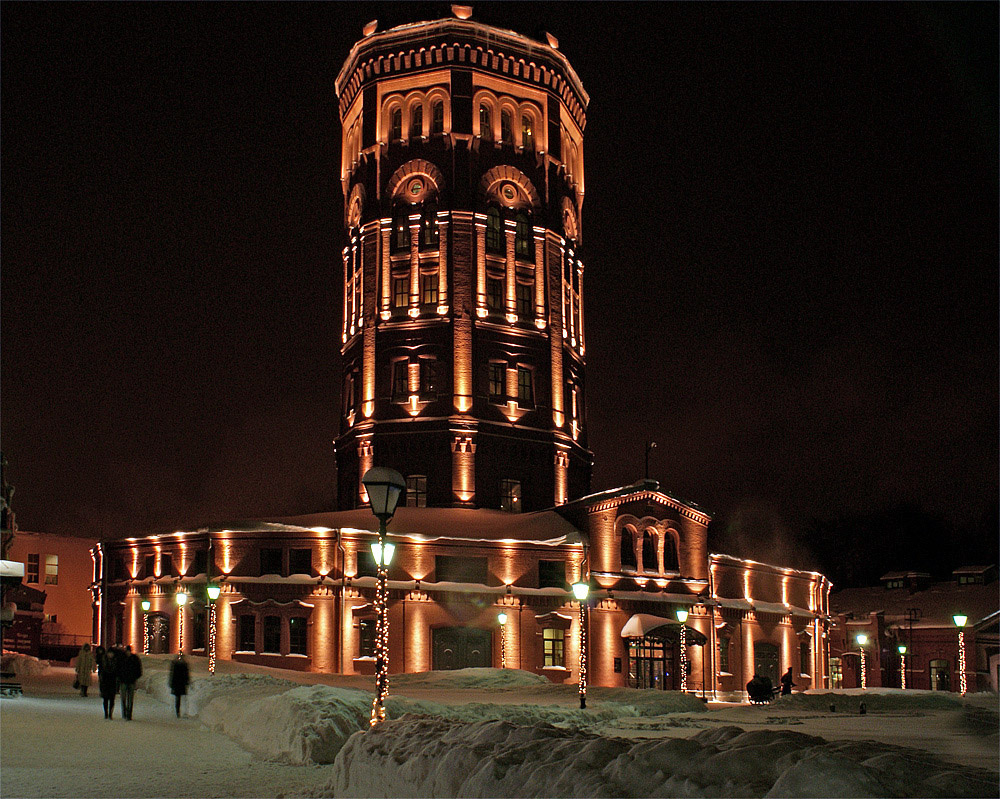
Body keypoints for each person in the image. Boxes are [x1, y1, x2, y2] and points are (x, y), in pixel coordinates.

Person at [117, 645, 142, 720]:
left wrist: (135, 677)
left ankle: (128, 714)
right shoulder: (125, 658)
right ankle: (125, 713)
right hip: (125, 680)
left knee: (129, 698)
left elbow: (139, 669)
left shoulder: (132, 658)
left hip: (130, 680)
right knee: (125, 698)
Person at [98, 647, 119, 719]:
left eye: (111, 653)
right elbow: (101, 671)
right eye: (109, 653)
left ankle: (110, 713)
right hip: (105, 682)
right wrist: (101, 680)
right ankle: (106, 713)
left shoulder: (115, 662)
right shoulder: (104, 661)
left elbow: (117, 672)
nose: (110, 655)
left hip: (112, 682)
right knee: (105, 699)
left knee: (112, 699)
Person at [168, 653, 190, 718]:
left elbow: (172, 674)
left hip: (177, 683)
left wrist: (171, 683)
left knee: (178, 699)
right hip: (181, 684)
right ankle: (182, 712)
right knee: (182, 699)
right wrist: (187, 681)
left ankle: (178, 711)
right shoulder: (184, 665)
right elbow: (186, 675)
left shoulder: (175, 664)